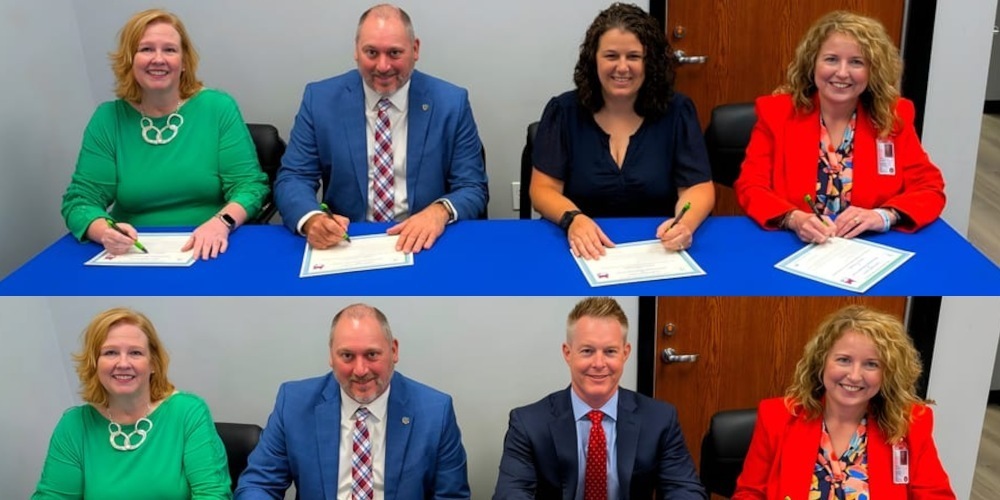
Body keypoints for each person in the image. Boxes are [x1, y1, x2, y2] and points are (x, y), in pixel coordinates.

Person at [274, 4, 489, 255]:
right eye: (372, 52)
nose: (383, 66)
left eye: (395, 53)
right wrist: (311, 218)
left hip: (424, 242)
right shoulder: (319, 100)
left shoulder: (451, 102)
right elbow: (294, 177)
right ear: (356, 50)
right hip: (347, 242)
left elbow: (473, 186)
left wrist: (439, 211)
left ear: (415, 49)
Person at [60, 9, 269, 260]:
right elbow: (81, 199)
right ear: (129, 60)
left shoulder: (218, 108)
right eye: (146, 49)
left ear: (184, 62)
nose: (158, 59)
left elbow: (249, 186)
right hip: (133, 253)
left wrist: (221, 222)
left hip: (210, 246)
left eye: (169, 50)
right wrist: (105, 231)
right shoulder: (107, 119)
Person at [734, 11, 945, 244]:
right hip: (792, 245)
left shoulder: (893, 116)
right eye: (831, 59)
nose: (842, 73)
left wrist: (884, 216)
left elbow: (930, 188)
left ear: (873, 71)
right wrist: (794, 218)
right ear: (812, 63)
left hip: (871, 250)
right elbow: (751, 186)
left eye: (856, 62)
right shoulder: (777, 113)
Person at [529, 3, 714, 260]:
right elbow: (542, 189)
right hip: (582, 249)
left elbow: (698, 188)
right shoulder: (564, 111)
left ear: (649, 62)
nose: (622, 67)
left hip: (659, 250)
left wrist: (685, 224)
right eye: (611, 56)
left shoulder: (677, 111)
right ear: (594, 58)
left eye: (634, 57)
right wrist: (574, 219)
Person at [235, 303, 470, 499]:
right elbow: (258, 485)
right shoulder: (294, 403)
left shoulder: (435, 411)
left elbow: (451, 496)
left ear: (394, 350)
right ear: (331, 355)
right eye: (347, 356)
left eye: (371, 354)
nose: (360, 370)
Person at [493, 297, 706, 499]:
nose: (598, 363)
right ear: (568, 353)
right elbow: (510, 493)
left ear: (626, 353)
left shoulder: (660, 419)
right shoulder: (528, 424)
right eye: (587, 351)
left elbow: (684, 489)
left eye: (610, 351)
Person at [733, 305, 955, 498]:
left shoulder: (910, 422)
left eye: (871, 364)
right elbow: (750, 494)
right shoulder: (777, 416)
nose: (855, 375)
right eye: (844, 360)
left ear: (888, 373)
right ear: (822, 361)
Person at [33, 308, 230, 498]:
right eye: (110, 353)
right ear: (94, 363)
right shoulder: (74, 425)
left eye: (135, 353)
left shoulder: (188, 412)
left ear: (153, 363)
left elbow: (212, 494)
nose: (123, 363)